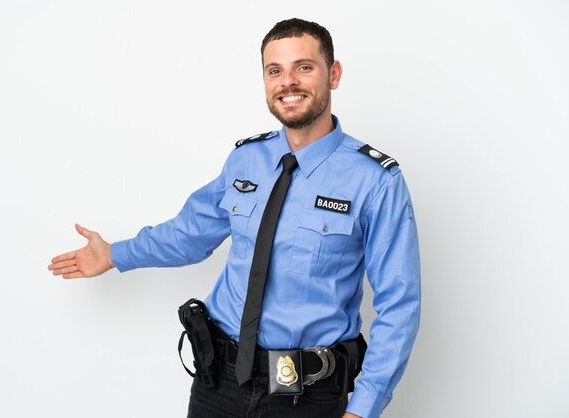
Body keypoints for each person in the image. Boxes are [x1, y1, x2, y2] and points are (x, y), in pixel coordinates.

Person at [48, 18, 420, 418]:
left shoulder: (376, 181)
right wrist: (115, 254)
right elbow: (190, 234)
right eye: (274, 71)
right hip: (219, 383)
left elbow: (399, 304)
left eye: (304, 67)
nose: (288, 82)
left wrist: (363, 408)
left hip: (305, 397)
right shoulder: (246, 160)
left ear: (334, 73)